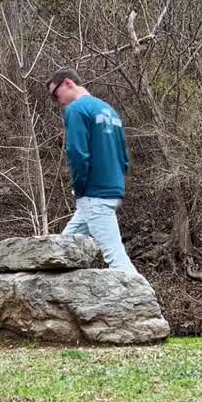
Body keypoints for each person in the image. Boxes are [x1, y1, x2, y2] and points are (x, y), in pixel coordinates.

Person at [46, 68, 139, 275]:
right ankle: (57, 301)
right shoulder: (108, 110)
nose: (57, 101)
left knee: (116, 257)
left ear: (68, 83)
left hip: (93, 194)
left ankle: (146, 305)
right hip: (111, 190)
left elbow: (77, 153)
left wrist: (79, 188)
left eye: (55, 94)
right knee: (63, 248)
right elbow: (123, 155)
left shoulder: (77, 110)